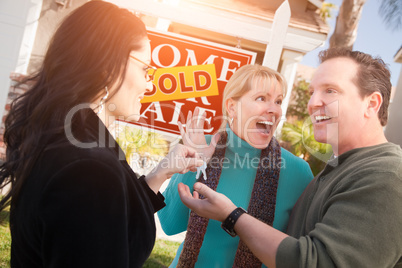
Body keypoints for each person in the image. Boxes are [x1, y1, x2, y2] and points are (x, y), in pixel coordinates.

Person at [0, 1, 203, 267]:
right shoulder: (89, 168)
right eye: (145, 69)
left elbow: (112, 223)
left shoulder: (68, 139)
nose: (149, 83)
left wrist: (160, 173)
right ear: (109, 65)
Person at [178, 48, 402, 268]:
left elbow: (319, 261)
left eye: (331, 91)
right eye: (313, 91)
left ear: (371, 104)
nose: (313, 103)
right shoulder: (336, 170)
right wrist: (197, 164)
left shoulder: (387, 176)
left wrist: (232, 216)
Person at [158, 64, 314, 267]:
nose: (274, 109)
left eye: (278, 101)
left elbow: (299, 255)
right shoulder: (201, 144)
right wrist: (194, 164)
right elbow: (169, 225)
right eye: (261, 98)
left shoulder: (298, 173)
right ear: (232, 107)